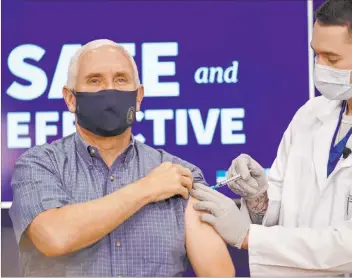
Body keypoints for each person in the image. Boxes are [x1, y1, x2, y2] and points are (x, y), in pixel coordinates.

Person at [191, 0, 352, 276]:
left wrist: (248, 236)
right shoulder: (311, 114)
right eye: (316, 54)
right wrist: (259, 197)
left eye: (332, 58)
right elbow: (283, 208)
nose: (320, 66)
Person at [9, 39, 235, 277]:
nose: (110, 90)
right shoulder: (39, 165)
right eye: (94, 80)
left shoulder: (179, 174)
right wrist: (146, 189)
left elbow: (218, 273)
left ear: (138, 97)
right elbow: (54, 236)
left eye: (120, 79)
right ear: (71, 98)